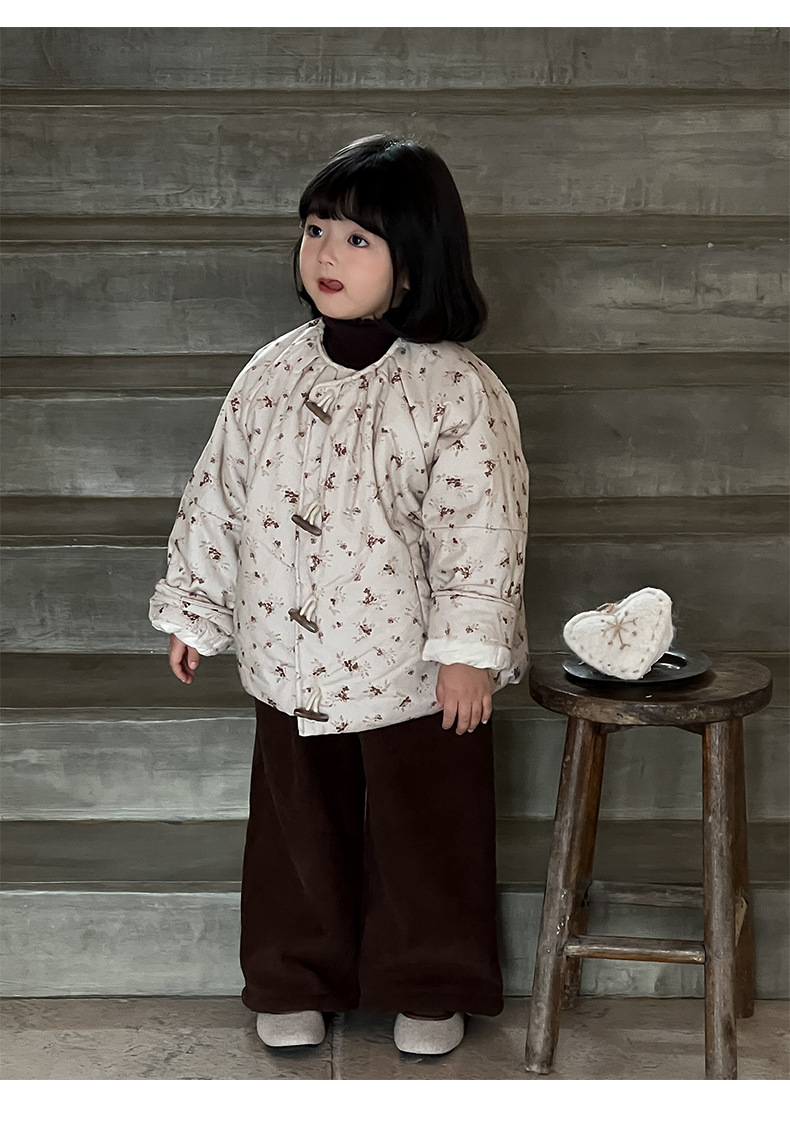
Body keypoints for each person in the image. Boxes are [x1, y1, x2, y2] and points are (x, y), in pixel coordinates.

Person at [148, 134, 529, 1057]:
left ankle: (429, 980)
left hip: (414, 670)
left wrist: (469, 651)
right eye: (317, 229)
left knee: (424, 830)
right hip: (289, 655)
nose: (327, 253)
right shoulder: (270, 375)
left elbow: (482, 527)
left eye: (359, 239)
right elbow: (220, 494)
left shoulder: (455, 391)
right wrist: (197, 605)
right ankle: (293, 974)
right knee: (297, 830)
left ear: (415, 261)